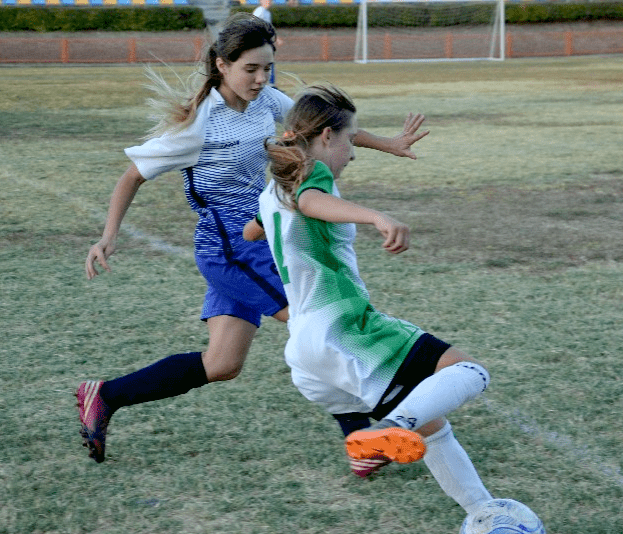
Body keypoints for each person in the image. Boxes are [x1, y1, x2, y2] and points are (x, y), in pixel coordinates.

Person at [77, 14, 429, 465]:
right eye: (251, 69)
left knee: (222, 364)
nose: (261, 79)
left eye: (267, 68)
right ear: (222, 65)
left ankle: (104, 395)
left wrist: (389, 143)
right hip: (229, 249)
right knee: (318, 324)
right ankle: (364, 441)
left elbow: (319, 125)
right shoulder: (199, 126)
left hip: (258, 239)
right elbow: (132, 177)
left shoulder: (266, 103)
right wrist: (107, 238)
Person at [243, 84, 494, 513]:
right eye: (348, 140)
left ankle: (484, 511)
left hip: (305, 353)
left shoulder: (273, 190)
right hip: (342, 327)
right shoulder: (310, 177)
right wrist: (376, 215)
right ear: (324, 137)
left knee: (429, 426)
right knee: (470, 371)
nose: (353, 152)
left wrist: (278, 226)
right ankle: (389, 430)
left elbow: (253, 231)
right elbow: (311, 201)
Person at [251, 0, 280, 86]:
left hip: (266, 42)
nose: (270, 2)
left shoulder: (267, 13)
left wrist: (275, 38)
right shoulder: (259, 11)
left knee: (269, 61)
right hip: (259, 42)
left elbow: (269, 28)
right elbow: (253, 25)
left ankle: (271, 84)